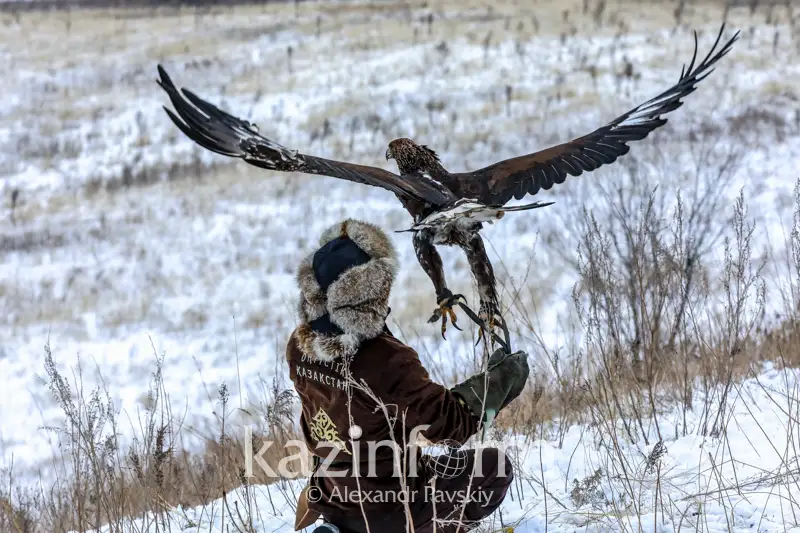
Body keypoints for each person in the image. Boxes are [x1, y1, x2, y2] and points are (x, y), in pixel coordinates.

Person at [287, 219, 530, 533]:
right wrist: (500, 381)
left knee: (417, 464)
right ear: (367, 294)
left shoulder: (298, 347)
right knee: (494, 468)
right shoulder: (388, 358)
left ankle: (342, 528)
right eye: (380, 290)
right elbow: (450, 425)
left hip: (333, 494)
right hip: (389, 506)